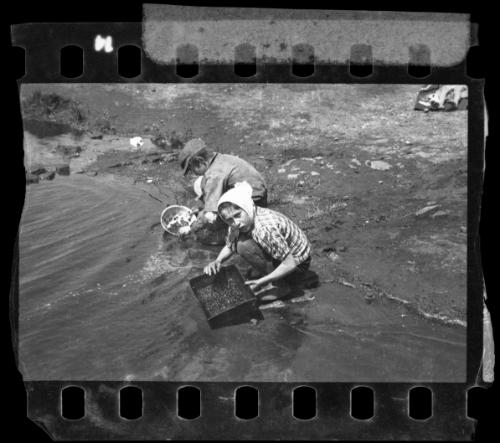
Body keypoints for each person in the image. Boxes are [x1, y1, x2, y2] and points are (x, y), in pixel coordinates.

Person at [203, 182, 313, 300]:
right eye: (229, 220)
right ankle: (270, 272)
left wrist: (262, 281)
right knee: (239, 243)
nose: (236, 222)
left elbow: (290, 263)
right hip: (285, 255)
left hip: (298, 266)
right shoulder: (243, 220)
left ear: (247, 207)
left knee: (243, 246)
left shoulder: (265, 229)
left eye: (238, 215)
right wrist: (218, 261)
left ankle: (281, 286)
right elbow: (230, 246)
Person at [179, 138, 268, 236]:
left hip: (255, 201)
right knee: (199, 183)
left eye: (192, 169)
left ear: (200, 161)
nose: (194, 173)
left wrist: (191, 228)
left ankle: (239, 231)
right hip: (254, 187)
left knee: (210, 223)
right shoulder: (218, 158)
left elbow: (210, 216)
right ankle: (210, 205)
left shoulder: (214, 175)